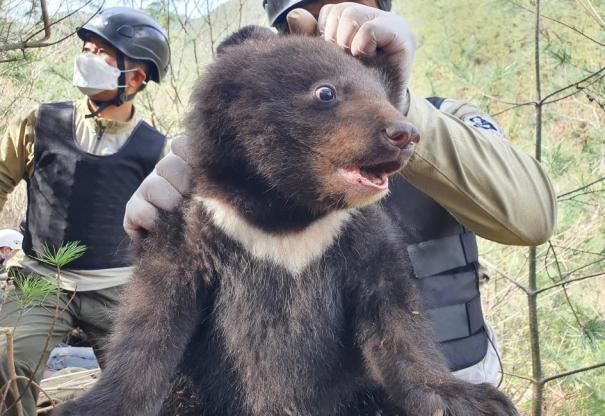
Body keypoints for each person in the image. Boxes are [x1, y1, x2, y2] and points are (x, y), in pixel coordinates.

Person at [125, 0, 556, 394]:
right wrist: (165, 214)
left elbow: (534, 216)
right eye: (314, 13)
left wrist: (400, 104)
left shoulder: (447, 117)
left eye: (357, 11)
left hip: (450, 383)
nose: (338, 26)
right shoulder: (261, 134)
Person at [0, 7, 170, 415]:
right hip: (39, 279)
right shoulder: (38, 123)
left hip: (118, 288)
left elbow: (173, 228)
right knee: (6, 364)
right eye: (87, 48)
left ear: (136, 78)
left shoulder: (156, 149)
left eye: (103, 53)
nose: (87, 58)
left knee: (140, 388)